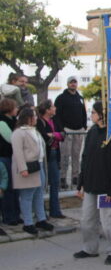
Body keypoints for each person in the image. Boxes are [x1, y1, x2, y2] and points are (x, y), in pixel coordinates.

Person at [73, 102, 111, 265]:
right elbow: (85, 158)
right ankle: (90, 249)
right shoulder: (92, 132)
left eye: (93, 112)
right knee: (87, 220)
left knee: (109, 223)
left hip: (106, 188)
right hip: (90, 186)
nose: (91, 115)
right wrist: (80, 183)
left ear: (102, 115)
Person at [12, 107, 53, 235]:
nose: (36, 118)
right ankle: (28, 222)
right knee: (27, 196)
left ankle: (41, 219)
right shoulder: (19, 133)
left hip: (38, 165)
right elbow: (18, 152)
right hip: (28, 168)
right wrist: (23, 168)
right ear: (27, 118)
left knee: (38, 194)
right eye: (34, 116)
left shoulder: (34, 131)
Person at [54, 76, 87, 189]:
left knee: (76, 155)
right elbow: (56, 115)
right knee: (65, 155)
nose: (73, 84)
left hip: (79, 131)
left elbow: (84, 113)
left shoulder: (80, 98)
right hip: (67, 131)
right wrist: (61, 129)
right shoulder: (61, 98)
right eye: (71, 82)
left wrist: (84, 126)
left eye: (75, 82)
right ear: (67, 84)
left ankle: (75, 177)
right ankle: (62, 178)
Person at [36, 100, 66, 218]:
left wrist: (53, 135)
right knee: (42, 184)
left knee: (55, 183)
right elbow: (43, 136)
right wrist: (56, 135)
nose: (55, 108)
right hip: (44, 155)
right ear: (47, 110)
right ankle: (41, 211)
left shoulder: (55, 120)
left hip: (55, 153)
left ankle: (55, 210)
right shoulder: (40, 122)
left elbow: (63, 134)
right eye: (53, 106)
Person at [0, 98, 21, 226]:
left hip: (13, 157)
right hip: (5, 157)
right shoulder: (2, 121)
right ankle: (8, 216)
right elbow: (11, 138)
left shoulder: (13, 120)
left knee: (15, 188)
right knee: (7, 188)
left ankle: (16, 214)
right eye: (15, 107)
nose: (17, 109)